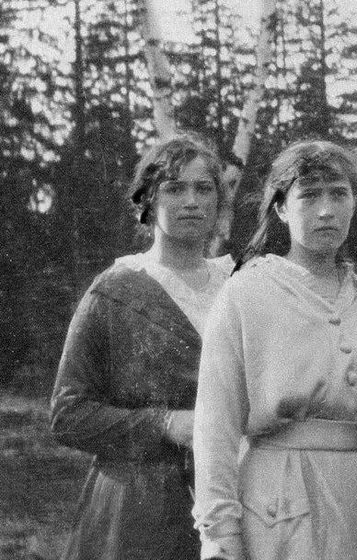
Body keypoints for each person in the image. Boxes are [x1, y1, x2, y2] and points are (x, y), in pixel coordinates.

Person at [191, 139, 357, 560]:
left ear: (354, 203)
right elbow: (214, 427)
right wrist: (220, 533)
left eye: (339, 194)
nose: (326, 210)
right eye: (309, 196)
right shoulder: (247, 292)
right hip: (282, 504)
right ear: (281, 209)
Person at [50, 133, 234, 560]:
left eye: (204, 188)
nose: (192, 202)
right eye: (175, 188)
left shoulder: (238, 285)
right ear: (148, 201)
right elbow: (67, 414)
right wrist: (165, 424)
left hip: (233, 495)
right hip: (138, 509)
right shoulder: (114, 291)